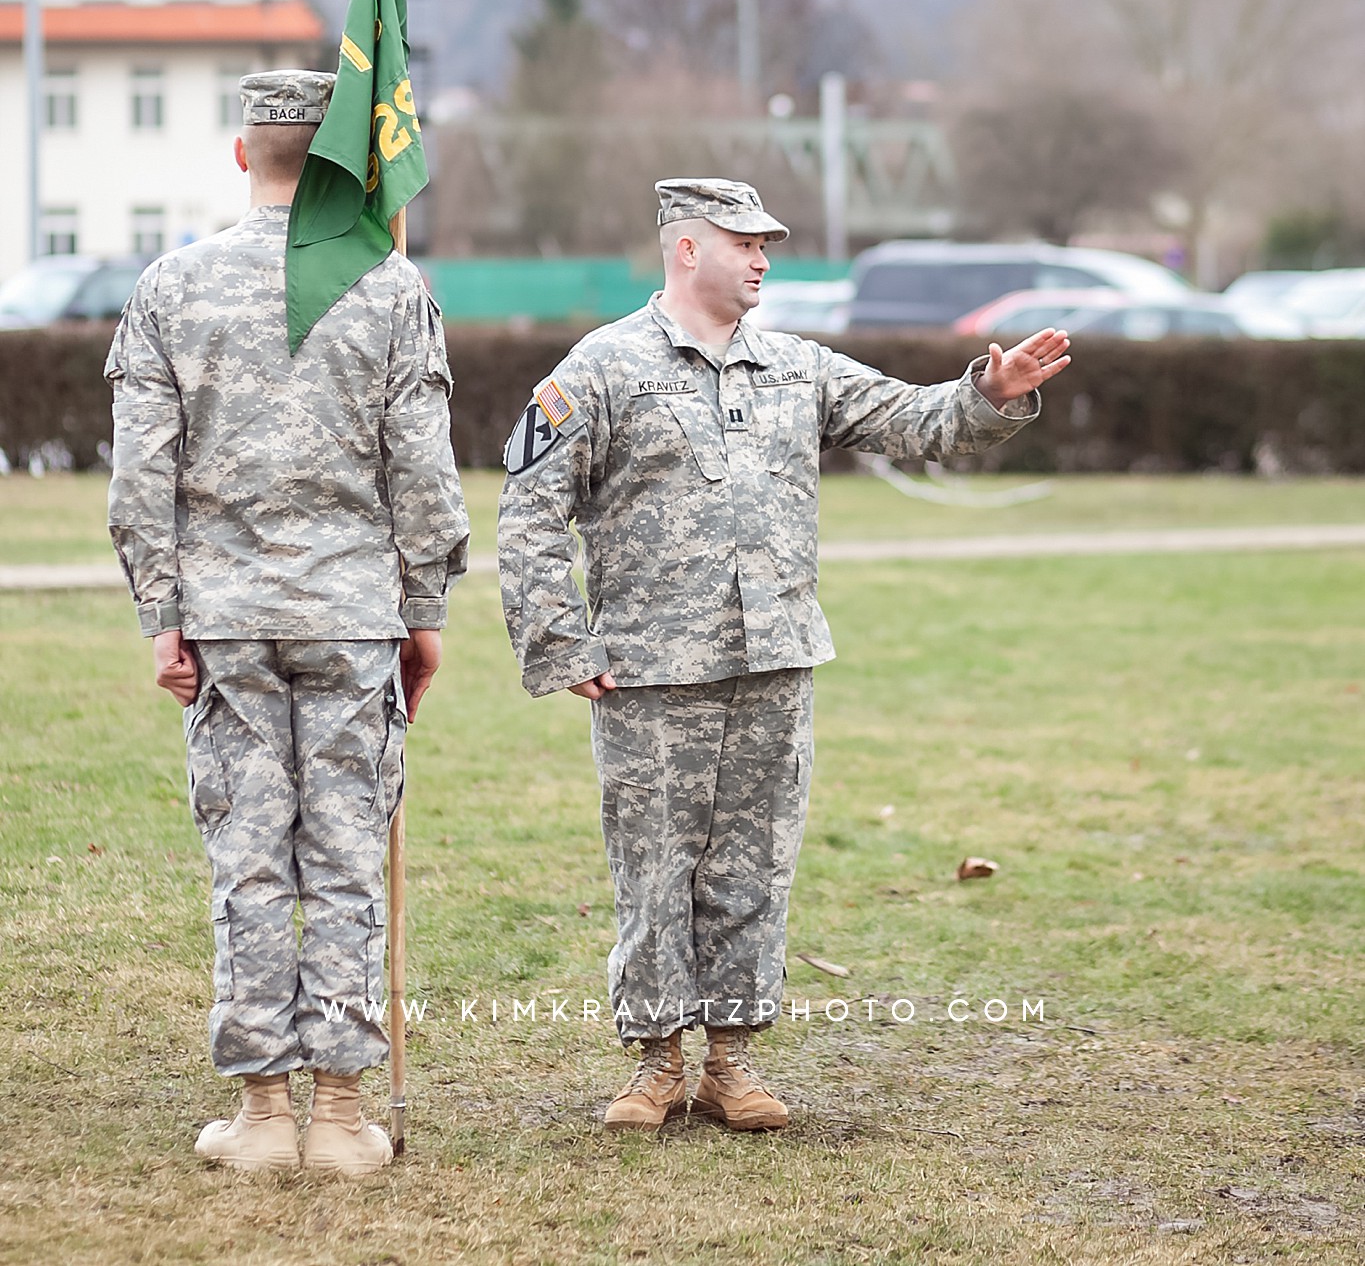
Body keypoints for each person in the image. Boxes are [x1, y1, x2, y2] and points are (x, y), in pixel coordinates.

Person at [498, 177, 1069, 1133]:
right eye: (743, 241)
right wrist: (560, 639)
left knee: (754, 867)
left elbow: (911, 421)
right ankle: (654, 1064)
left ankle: (731, 1061)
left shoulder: (795, 367)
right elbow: (528, 512)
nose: (763, 257)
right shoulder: (601, 368)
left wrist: (989, 394)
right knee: (653, 865)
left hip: (774, 661)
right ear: (686, 248)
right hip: (652, 671)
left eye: (768, 242)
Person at [105, 70, 469, 1176]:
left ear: (240, 153)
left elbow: (141, 478)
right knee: (349, 850)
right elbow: (424, 477)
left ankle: (264, 1111)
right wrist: (425, 610)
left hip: (225, 618)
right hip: (355, 616)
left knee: (251, 855)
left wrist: (161, 613)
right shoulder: (389, 286)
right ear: (345, 166)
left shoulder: (170, 285)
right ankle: (344, 1112)